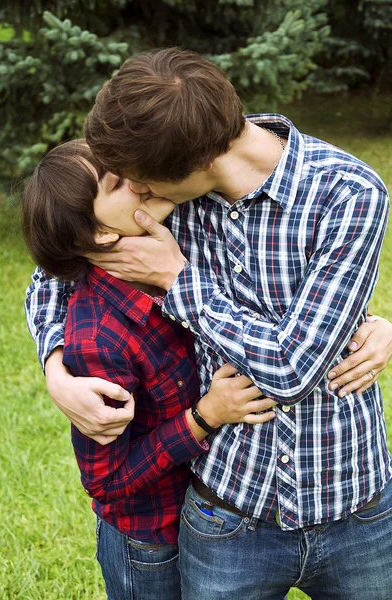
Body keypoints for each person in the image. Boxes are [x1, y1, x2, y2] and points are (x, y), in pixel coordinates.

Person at [25, 48, 392, 599]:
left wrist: (179, 280)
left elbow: (293, 369)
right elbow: (51, 272)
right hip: (227, 513)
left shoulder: (348, 193)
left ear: (192, 166)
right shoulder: (178, 191)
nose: (137, 193)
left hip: (357, 506)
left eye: (137, 182)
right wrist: (56, 368)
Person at [22, 139, 277, 600]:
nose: (138, 178)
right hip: (151, 540)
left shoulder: (177, 225)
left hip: (212, 514)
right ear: (101, 235)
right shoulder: (100, 339)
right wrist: (204, 417)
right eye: (118, 182)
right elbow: (106, 481)